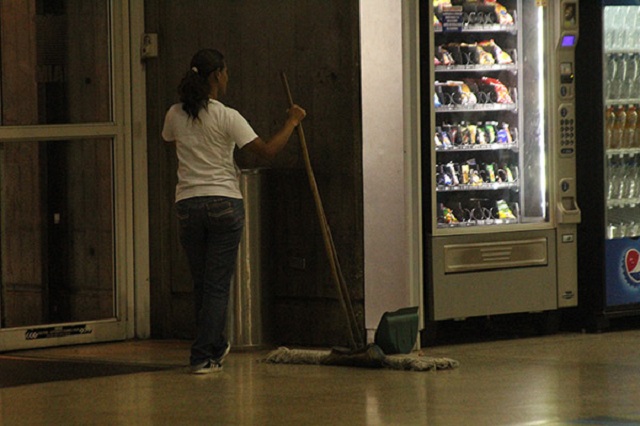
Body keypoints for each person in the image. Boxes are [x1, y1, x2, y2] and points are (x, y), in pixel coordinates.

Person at [162, 48, 306, 374]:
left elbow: (174, 144)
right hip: (224, 202)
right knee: (216, 285)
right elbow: (267, 151)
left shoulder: (174, 114)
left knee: (202, 284)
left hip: (187, 204)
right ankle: (202, 355)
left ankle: (213, 347)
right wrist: (292, 122)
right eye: (225, 72)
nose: (227, 78)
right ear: (216, 76)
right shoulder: (227, 116)